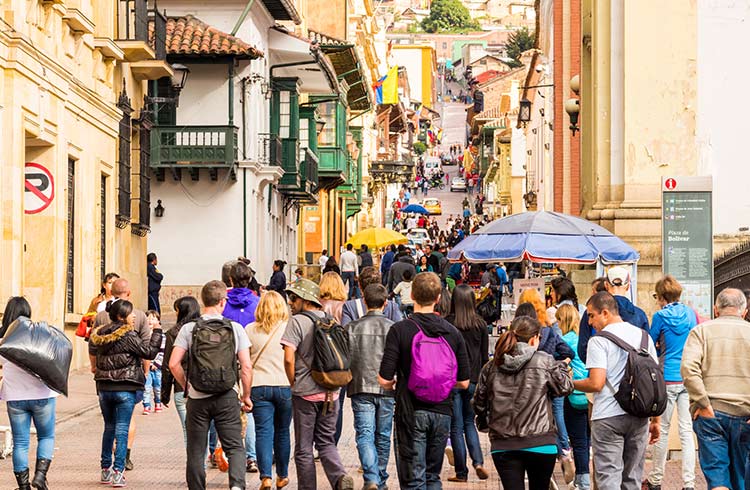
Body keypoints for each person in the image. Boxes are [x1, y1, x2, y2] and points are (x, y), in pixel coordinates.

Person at [378, 272, 471, 489]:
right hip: (442, 411)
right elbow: (464, 382)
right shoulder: (453, 333)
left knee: (413, 477)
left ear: (411, 294)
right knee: (432, 476)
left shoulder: (400, 330)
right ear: (439, 297)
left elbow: (384, 378)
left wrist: (396, 383)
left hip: (410, 410)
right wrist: (442, 383)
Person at [168, 281, 254, 490]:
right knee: (234, 447)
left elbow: (173, 363)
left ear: (202, 301)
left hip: (198, 398)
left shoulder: (189, 329)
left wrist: (187, 386)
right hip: (226, 395)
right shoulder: (235, 329)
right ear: (223, 302)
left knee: (196, 449)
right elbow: (246, 366)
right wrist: (246, 396)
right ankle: (236, 486)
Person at [473, 315, 574, 489]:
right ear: (534, 338)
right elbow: (565, 387)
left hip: (503, 442)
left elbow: (479, 402)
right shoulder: (545, 361)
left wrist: (485, 424)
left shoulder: (491, 366)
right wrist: (563, 367)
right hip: (541, 441)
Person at [573, 292, 660, 490]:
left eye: (591, 315)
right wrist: (656, 420)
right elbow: (655, 381)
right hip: (639, 415)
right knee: (632, 479)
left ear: (605, 313)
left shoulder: (599, 341)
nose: (589, 322)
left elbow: (596, 383)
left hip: (607, 416)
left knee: (608, 478)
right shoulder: (644, 338)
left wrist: (572, 384)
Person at [281, 278, 354, 490]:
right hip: (332, 392)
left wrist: (293, 381)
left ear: (304, 300)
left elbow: (288, 358)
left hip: (304, 393)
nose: (291, 303)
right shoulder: (330, 319)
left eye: (293, 299)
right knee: (326, 442)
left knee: (304, 448)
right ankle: (339, 478)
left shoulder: (296, 322)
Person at [681, 288, 750, 490]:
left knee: (717, 476)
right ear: (744, 311)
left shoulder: (701, 332)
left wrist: (702, 403)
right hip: (745, 413)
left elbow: (688, 368)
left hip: (711, 413)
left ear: (715, 309)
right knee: (741, 478)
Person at [89, 300, 163, 487]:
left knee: (109, 427)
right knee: (122, 429)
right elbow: (149, 352)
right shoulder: (128, 335)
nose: (134, 317)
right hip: (125, 387)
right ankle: (118, 472)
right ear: (122, 316)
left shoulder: (101, 334)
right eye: (130, 314)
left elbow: (93, 351)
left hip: (104, 387)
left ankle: (105, 469)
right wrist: (157, 332)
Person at [90, 278, 152, 472]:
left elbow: (92, 347)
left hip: (104, 380)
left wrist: (94, 368)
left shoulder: (101, 317)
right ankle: (123, 461)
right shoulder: (139, 317)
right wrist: (145, 371)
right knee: (125, 422)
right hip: (128, 380)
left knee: (109, 425)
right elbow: (146, 349)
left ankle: (105, 467)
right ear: (129, 294)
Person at [643, 275, 697, 490]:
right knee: (686, 431)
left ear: (662, 296)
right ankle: (690, 482)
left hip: (666, 377)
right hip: (687, 376)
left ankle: (656, 480)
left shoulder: (660, 316)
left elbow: (649, 343)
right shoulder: (691, 314)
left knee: (662, 429)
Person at [1, 298, 60, 490]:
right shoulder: (38, 334)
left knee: (20, 442)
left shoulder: (4, 338)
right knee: (46, 437)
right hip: (43, 395)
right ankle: (40, 476)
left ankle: (23, 486)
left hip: (15, 397)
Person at [347, 285, 396, 490]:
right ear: (385, 303)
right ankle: (381, 478)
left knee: (365, 434)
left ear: (364, 301)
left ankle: (371, 477)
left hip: (360, 386)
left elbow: (346, 358)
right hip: (387, 387)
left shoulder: (351, 327)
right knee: (383, 436)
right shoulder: (393, 327)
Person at [246, 291, 292, 490]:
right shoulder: (289, 329)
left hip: (259, 386)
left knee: (263, 432)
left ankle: (266, 477)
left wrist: (243, 392)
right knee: (282, 431)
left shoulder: (249, 330)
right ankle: (282, 475)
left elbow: (245, 364)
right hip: (284, 385)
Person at [444, 285, 490, 482]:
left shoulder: (447, 324)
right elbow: (484, 356)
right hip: (474, 380)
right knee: (470, 423)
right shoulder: (480, 325)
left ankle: (461, 472)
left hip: (452, 381)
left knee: (456, 426)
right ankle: (478, 462)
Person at [222, 261, 260, 473]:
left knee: (223, 411)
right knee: (249, 410)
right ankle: (251, 457)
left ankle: (220, 452)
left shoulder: (224, 303)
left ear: (230, 280)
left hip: (227, 361)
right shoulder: (258, 303)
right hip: (251, 361)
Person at [578, 267, 649, 363]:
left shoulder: (593, 312)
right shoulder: (640, 315)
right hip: (634, 372)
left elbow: (583, 349)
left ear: (606, 285)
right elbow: (646, 348)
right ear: (628, 286)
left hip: (601, 372)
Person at [557, 304, 591, 490]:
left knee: (578, 441)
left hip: (573, 394)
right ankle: (584, 479)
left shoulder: (565, 340)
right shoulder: (584, 339)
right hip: (590, 393)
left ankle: (583, 482)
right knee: (587, 440)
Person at [161, 296, 201, 445]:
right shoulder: (205, 329)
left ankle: (196, 465)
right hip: (204, 385)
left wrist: (164, 395)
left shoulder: (173, 333)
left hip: (181, 388)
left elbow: (168, 366)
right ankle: (206, 457)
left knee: (188, 431)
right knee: (205, 429)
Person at [142, 310, 165, 415]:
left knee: (157, 387)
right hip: (147, 367)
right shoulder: (144, 336)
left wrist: (157, 363)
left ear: (158, 321)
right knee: (146, 387)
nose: (150, 320)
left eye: (153, 318)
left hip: (157, 367)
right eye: (148, 318)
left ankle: (158, 403)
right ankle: (146, 405)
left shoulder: (162, 336)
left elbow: (162, 351)